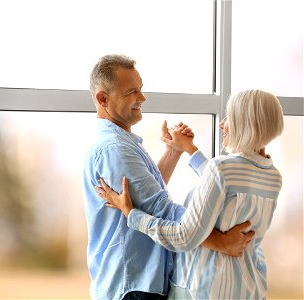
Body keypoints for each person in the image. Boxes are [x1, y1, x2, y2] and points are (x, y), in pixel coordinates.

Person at [82, 54, 253, 300]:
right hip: (132, 286)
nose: (142, 98)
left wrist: (173, 152)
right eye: (131, 92)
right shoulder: (114, 149)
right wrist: (221, 242)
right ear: (102, 98)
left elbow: (149, 198)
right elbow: (162, 210)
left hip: (138, 283)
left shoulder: (122, 142)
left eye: (140, 89)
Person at [97, 89, 284, 299]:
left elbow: (184, 237)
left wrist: (131, 213)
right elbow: (228, 186)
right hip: (251, 288)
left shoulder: (222, 169)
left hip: (201, 289)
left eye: (229, 117)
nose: (222, 124)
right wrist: (188, 148)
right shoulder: (273, 176)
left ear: (245, 122)